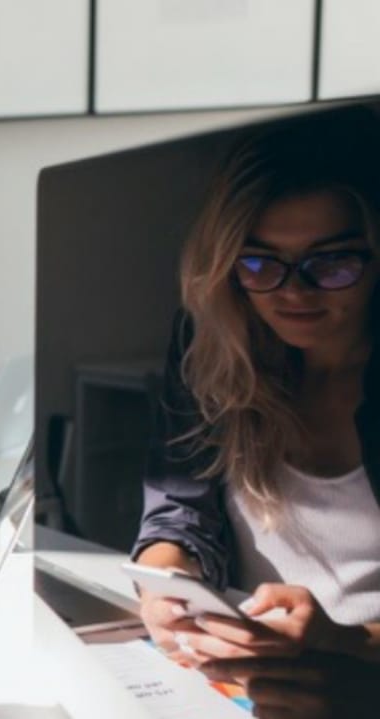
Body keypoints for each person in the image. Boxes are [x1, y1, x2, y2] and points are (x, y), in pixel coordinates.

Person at [131, 110, 380, 719]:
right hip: (241, 689)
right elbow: (177, 512)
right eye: (260, 263)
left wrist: (350, 647)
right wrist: (164, 589)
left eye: (332, 263)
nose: (293, 292)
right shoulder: (211, 348)